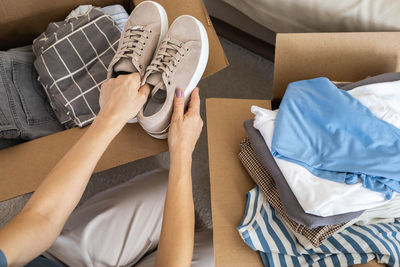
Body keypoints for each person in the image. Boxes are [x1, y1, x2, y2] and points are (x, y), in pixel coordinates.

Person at [0, 73, 213, 267]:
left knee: (166, 188)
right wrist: (182, 154)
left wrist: (110, 116)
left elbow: (42, 218)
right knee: (220, 248)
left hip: (63, 261)